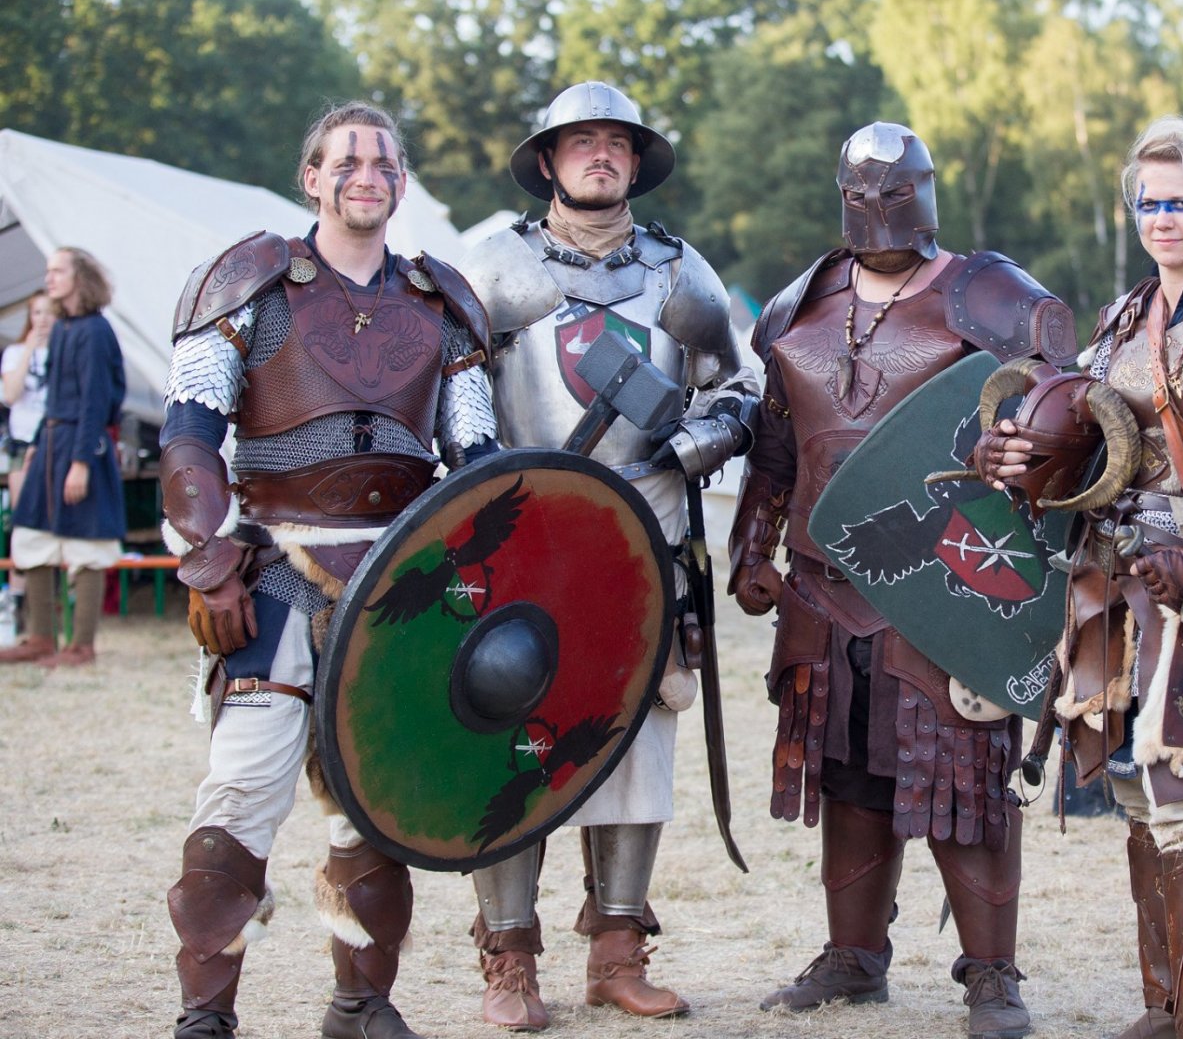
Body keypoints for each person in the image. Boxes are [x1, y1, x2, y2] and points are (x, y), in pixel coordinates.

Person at [971, 116, 1183, 1039]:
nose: (1162, 219)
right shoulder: (1125, 316)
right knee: (1132, 788)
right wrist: (1010, 450)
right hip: (1111, 578)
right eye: (1148, 204)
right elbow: (1081, 432)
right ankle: (1164, 1005)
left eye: (1181, 202)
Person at [728, 121, 1077, 1039]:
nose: (879, 210)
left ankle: (991, 976)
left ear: (924, 191)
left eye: (896, 191)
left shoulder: (994, 297)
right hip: (822, 581)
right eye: (861, 193)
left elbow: (1069, 419)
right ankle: (853, 957)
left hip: (946, 579)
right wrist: (750, 548)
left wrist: (1022, 452)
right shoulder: (797, 304)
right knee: (847, 767)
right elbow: (775, 443)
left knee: (965, 770)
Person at [158, 102, 500, 1039]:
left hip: (399, 578)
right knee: (242, 792)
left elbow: (477, 459)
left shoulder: (442, 305)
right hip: (275, 569)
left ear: (402, 183)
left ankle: (359, 1004)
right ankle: (206, 1016)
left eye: (384, 163)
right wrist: (211, 561)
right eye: (346, 161)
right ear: (311, 177)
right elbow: (189, 435)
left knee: (374, 804)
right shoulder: (249, 285)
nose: (367, 176)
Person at [457, 81, 758, 1032]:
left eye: (616, 143)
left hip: (645, 536)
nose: (600, 155)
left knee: (635, 740)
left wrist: (700, 439)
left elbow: (739, 389)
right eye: (580, 141)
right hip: (523, 537)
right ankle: (510, 961)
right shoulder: (491, 266)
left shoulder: (680, 274)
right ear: (548, 161)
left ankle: (618, 954)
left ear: (636, 162)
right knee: (510, 738)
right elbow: (450, 388)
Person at [0, 253, 127, 668]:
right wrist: (39, 442)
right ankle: (41, 638)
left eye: (58, 270)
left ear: (80, 277)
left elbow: (96, 401)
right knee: (31, 533)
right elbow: (54, 398)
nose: (49, 277)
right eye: (48, 270)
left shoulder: (95, 331)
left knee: (88, 543)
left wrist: (82, 462)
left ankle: (81, 646)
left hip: (81, 444)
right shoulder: (62, 329)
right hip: (51, 443)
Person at [0, 291, 55, 641]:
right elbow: (10, 395)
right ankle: (17, 603)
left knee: (55, 523)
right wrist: (30, 350)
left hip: (54, 444)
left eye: (49, 313)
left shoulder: (65, 352)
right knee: (24, 523)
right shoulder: (15, 353)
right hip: (22, 445)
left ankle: (53, 603)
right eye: (37, 313)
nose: (43, 319)